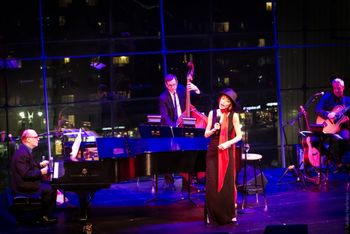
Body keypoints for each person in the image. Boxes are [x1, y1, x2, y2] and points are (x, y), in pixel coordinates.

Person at [204, 88, 242, 226]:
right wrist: (214, 130)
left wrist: (227, 144)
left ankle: (229, 214)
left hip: (226, 150)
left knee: (227, 182)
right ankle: (212, 214)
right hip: (213, 150)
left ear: (230, 104)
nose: (222, 101)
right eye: (222, 98)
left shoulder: (234, 116)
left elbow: (239, 136)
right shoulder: (212, 113)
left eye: (226, 100)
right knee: (212, 183)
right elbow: (206, 134)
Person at [158, 73, 201, 190]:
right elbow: (164, 117)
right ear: (166, 85)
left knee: (188, 152)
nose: (173, 87)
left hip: (184, 125)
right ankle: (169, 180)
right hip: (172, 126)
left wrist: (196, 90)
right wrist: (174, 127)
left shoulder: (182, 89)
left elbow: (195, 99)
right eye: (171, 85)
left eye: (175, 84)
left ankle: (187, 181)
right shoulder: (163, 98)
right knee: (168, 153)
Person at [11, 129, 57, 224]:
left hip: (25, 182)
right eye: (36, 137)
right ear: (28, 139)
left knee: (51, 184)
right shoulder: (22, 153)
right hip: (22, 185)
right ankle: (44, 216)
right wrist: (41, 172)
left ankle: (44, 213)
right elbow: (26, 174)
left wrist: (40, 164)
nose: (38, 139)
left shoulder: (25, 150)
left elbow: (29, 166)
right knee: (50, 188)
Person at [315, 78, 350, 172]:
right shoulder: (327, 97)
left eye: (338, 88)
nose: (336, 90)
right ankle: (331, 158)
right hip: (327, 126)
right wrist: (327, 114)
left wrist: (347, 119)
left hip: (341, 127)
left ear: (343, 87)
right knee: (314, 140)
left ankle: (343, 164)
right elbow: (317, 109)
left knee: (346, 138)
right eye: (334, 88)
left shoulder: (347, 101)